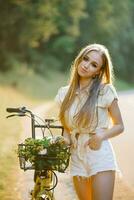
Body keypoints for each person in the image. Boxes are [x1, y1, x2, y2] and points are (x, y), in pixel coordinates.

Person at [54, 43, 124, 200]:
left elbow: (119, 126)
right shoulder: (64, 93)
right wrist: (65, 139)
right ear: (79, 59)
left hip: (99, 153)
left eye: (94, 65)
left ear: (98, 71)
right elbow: (66, 127)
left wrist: (100, 137)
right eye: (85, 59)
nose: (86, 66)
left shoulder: (105, 91)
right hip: (77, 156)